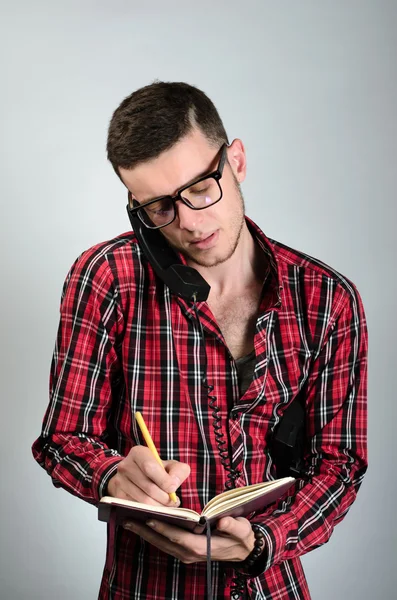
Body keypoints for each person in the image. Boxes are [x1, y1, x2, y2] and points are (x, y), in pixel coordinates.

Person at [32, 81, 368, 600]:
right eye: (159, 207)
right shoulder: (106, 277)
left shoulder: (329, 299)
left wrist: (261, 543)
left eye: (199, 188)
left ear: (236, 161)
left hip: (273, 586)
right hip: (144, 587)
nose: (188, 222)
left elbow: (340, 466)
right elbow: (62, 439)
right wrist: (112, 476)